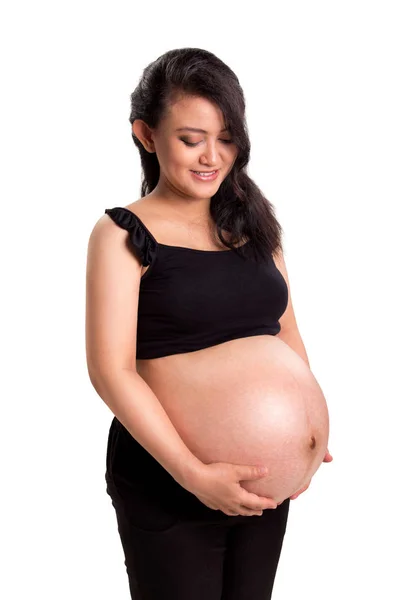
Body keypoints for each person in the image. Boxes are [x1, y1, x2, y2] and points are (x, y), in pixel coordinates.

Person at [86, 47, 316, 599]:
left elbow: (283, 328)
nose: (212, 156)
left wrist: (307, 430)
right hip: (170, 483)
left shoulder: (254, 223)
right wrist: (193, 473)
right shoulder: (122, 234)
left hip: (263, 491)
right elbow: (110, 371)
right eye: (191, 139)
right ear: (146, 135)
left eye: (227, 138)